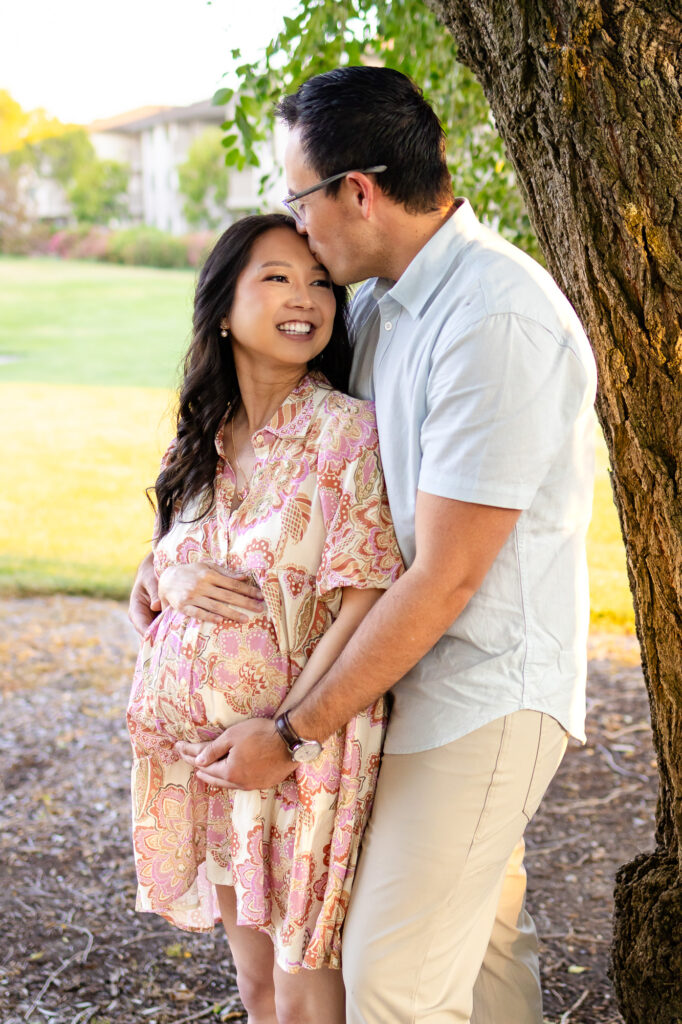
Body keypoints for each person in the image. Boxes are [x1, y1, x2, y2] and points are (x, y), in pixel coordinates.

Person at [130, 68, 598, 1023]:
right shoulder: (381, 301)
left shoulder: (493, 320)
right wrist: (169, 561)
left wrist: (292, 734)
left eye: (300, 199)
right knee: (480, 957)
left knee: (391, 979)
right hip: (392, 690)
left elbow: (446, 574)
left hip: (477, 691)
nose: (297, 231)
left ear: (357, 191)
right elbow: (275, 477)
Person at [126, 212, 403, 1024]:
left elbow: (367, 596)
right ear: (223, 306)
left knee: (302, 991)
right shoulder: (202, 440)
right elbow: (157, 575)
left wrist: (288, 734)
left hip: (298, 755)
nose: (306, 296)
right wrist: (167, 577)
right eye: (277, 277)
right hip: (203, 766)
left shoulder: (345, 433)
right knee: (254, 992)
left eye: (320, 281)